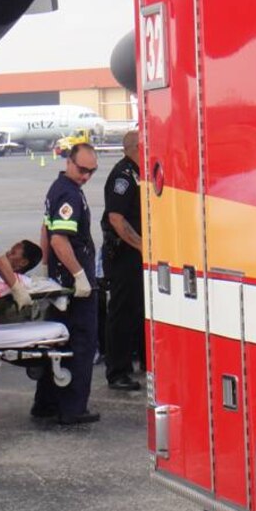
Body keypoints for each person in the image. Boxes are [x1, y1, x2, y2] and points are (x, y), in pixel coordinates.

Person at [34, 142, 100, 425]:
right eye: (82, 169)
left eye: (91, 171)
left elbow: (46, 231)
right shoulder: (69, 194)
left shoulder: (58, 189)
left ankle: (46, 404)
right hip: (74, 287)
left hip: (61, 282)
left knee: (55, 342)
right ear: (69, 162)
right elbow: (60, 238)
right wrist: (79, 276)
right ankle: (72, 408)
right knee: (80, 343)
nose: (85, 176)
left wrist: (47, 266)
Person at [101, 131, 144, 390]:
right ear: (137, 147)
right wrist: (142, 246)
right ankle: (117, 371)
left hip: (135, 254)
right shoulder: (124, 176)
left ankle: (138, 360)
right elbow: (116, 218)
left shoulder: (139, 173)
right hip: (124, 255)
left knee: (138, 309)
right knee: (122, 312)